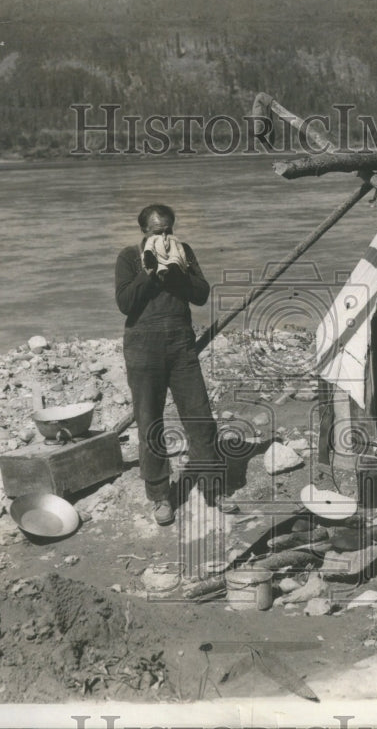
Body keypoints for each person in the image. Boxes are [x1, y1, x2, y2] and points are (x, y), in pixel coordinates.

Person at [115, 203, 234, 525]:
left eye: (168, 230)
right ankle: (159, 496)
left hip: (180, 345)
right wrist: (149, 272)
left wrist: (178, 269)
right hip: (143, 347)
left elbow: (200, 295)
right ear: (144, 232)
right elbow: (126, 304)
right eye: (158, 232)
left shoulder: (184, 251)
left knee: (200, 416)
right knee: (150, 421)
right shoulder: (129, 257)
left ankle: (214, 488)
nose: (165, 236)